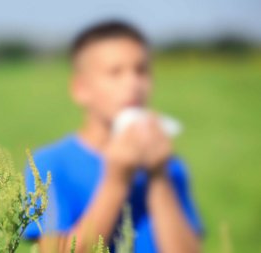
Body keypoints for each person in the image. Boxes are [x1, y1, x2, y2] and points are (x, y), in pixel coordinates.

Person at [23, 21, 203, 253]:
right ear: (80, 88)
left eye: (141, 70)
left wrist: (159, 177)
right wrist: (116, 180)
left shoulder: (170, 166)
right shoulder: (49, 165)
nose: (133, 84)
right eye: (115, 72)